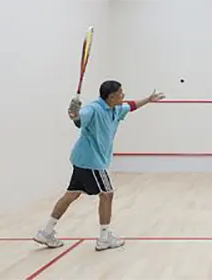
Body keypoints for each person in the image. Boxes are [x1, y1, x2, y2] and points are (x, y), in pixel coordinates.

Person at [33, 80, 165, 251]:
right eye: (121, 92)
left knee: (71, 194)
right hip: (92, 161)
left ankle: (46, 231)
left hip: (81, 159)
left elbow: (131, 106)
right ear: (111, 96)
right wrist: (74, 113)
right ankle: (104, 238)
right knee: (107, 194)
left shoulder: (116, 108)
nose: (123, 95)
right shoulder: (94, 109)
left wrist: (148, 99)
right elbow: (79, 119)